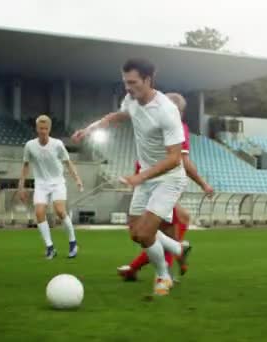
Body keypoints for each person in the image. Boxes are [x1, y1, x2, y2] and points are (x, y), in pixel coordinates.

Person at [71, 58, 191, 296]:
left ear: (147, 80)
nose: (128, 87)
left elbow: (174, 158)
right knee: (136, 233)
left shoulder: (167, 111)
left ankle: (162, 276)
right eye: (125, 82)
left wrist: (141, 176)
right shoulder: (132, 99)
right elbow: (118, 115)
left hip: (169, 179)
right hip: (146, 178)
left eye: (133, 82)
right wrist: (91, 128)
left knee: (146, 233)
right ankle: (178, 248)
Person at [117, 92, 214, 281]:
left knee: (152, 232)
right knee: (139, 233)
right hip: (146, 184)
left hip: (163, 184)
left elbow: (182, 160)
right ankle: (177, 251)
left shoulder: (177, 129)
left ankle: (158, 274)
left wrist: (203, 183)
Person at [18, 115, 84, 259]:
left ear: (49, 129)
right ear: (36, 128)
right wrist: (21, 187)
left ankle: (73, 243)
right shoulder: (30, 145)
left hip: (57, 182)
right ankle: (50, 248)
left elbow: (68, 162)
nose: (43, 131)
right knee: (39, 212)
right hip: (41, 184)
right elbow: (25, 166)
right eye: (40, 128)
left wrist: (77, 179)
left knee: (60, 211)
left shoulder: (57, 144)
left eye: (46, 128)